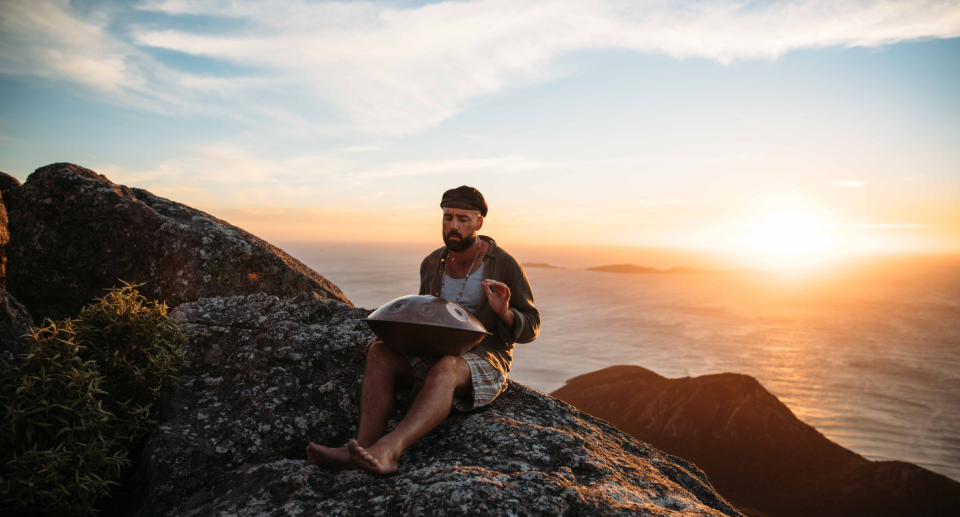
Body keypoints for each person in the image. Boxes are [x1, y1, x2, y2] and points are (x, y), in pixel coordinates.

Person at [306, 185, 540, 474]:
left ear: (479, 223)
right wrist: (389, 336)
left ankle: (390, 450)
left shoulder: (504, 264)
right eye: (447, 217)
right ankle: (364, 447)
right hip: (434, 354)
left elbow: (532, 328)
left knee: (448, 366)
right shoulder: (433, 263)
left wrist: (504, 311)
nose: (453, 226)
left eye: (462, 219)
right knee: (380, 352)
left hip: (484, 359)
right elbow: (422, 317)